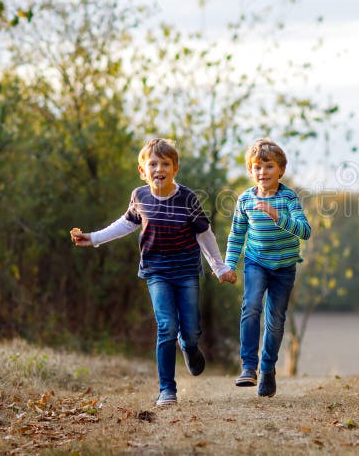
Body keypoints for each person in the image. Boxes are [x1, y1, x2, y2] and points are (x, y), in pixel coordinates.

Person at [70, 138, 236, 407]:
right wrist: (93, 238)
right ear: (142, 170)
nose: (159, 169)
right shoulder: (140, 196)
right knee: (166, 325)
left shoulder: (187, 199)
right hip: (156, 271)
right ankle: (167, 389)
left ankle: (190, 346)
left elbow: (204, 234)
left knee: (191, 330)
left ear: (175, 168)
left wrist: (219, 267)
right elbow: (125, 224)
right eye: (153, 164)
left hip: (186, 272)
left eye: (166, 164)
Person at [225, 138, 311, 397]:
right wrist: (229, 264)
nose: (263, 173)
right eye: (257, 168)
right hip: (256, 262)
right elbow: (237, 234)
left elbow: (305, 231)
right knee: (251, 306)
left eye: (269, 167)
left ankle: (268, 368)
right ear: (251, 172)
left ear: (280, 170)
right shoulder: (246, 200)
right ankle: (248, 367)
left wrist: (278, 216)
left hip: (284, 267)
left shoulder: (288, 197)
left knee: (275, 320)